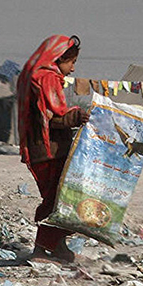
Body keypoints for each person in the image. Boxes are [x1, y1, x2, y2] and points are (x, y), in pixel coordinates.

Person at [17, 34, 90, 262]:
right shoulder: (46, 78)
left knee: (57, 197)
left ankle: (58, 246)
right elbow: (50, 117)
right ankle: (41, 248)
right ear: (58, 59)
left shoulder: (36, 76)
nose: (73, 69)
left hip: (41, 148)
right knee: (55, 199)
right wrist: (76, 117)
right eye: (71, 63)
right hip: (48, 149)